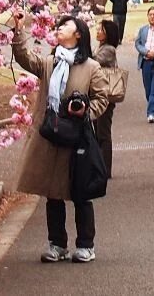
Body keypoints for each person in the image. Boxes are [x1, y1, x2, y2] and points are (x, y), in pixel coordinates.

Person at [12, 14, 110, 263]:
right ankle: (57, 244)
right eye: (58, 26)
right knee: (53, 191)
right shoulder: (50, 63)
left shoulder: (91, 67)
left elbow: (102, 98)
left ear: (79, 33)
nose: (58, 29)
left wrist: (86, 111)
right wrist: (18, 30)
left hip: (77, 136)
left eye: (65, 25)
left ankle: (86, 245)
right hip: (51, 133)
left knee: (80, 191)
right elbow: (25, 58)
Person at [94, 19, 122, 176]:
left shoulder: (108, 49)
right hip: (99, 94)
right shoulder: (102, 47)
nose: (98, 31)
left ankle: (105, 169)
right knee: (98, 130)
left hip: (105, 96)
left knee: (103, 132)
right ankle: (99, 165)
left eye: (101, 29)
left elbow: (94, 61)